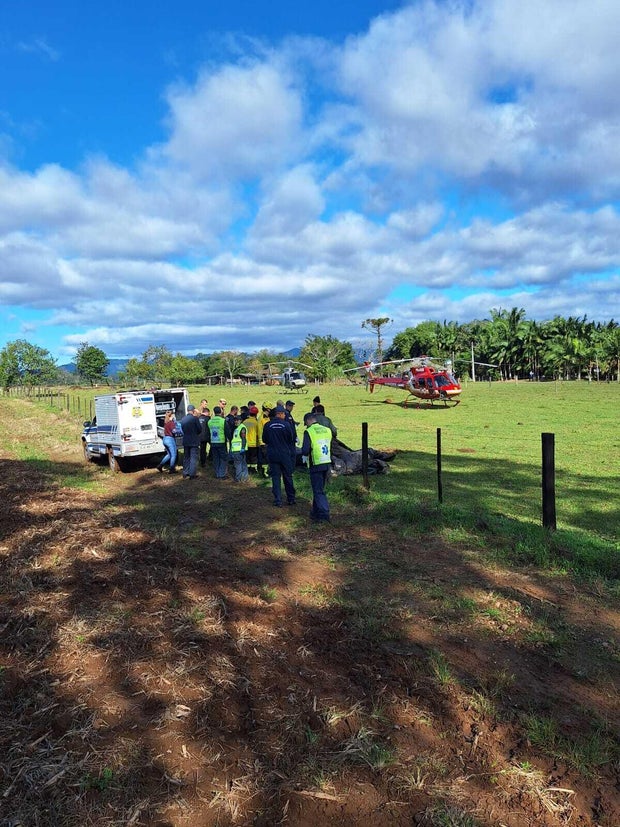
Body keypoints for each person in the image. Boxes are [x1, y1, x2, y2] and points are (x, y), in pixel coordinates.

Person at [263, 404, 296, 506]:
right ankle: (291, 498)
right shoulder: (286, 425)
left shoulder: (267, 425)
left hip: (272, 454)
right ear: (280, 414)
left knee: (276, 477)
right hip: (285, 454)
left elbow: (265, 439)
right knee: (288, 476)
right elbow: (291, 439)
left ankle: (278, 500)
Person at [302, 411, 332, 522]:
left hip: (316, 463)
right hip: (326, 462)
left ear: (308, 421)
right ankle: (315, 512)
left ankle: (324, 514)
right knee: (318, 488)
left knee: (318, 491)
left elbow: (305, 449)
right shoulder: (327, 430)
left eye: (306, 423)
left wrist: (304, 456)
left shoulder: (309, 432)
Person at [179, 404, 203, 479]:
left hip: (186, 440)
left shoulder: (183, 419)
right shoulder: (195, 419)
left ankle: (185, 473)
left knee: (186, 457)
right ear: (193, 411)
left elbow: (182, 429)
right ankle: (192, 474)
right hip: (194, 440)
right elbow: (199, 429)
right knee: (193, 458)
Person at [208, 405, 228, 479]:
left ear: (214, 412)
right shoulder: (223, 421)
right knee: (223, 458)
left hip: (213, 442)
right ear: (220, 412)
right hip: (221, 442)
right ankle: (221, 474)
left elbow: (208, 432)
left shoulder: (210, 421)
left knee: (216, 459)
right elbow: (227, 432)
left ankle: (217, 473)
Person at [229, 414, 249, 482]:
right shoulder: (237, 428)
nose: (236, 421)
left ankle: (238, 479)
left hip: (239, 449)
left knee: (238, 465)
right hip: (236, 449)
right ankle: (244, 478)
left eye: (237, 420)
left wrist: (243, 448)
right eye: (235, 420)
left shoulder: (242, 428)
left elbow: (243, 438)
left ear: (241, 420)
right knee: (242, 464)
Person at [198, 402, 211, 468]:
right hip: (206, 436)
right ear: (207, 412)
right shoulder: (208, 418)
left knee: (202, 450)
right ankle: (211, 458)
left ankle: (202, 463)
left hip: (199, 437)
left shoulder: (198, 418)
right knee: (214, 446)